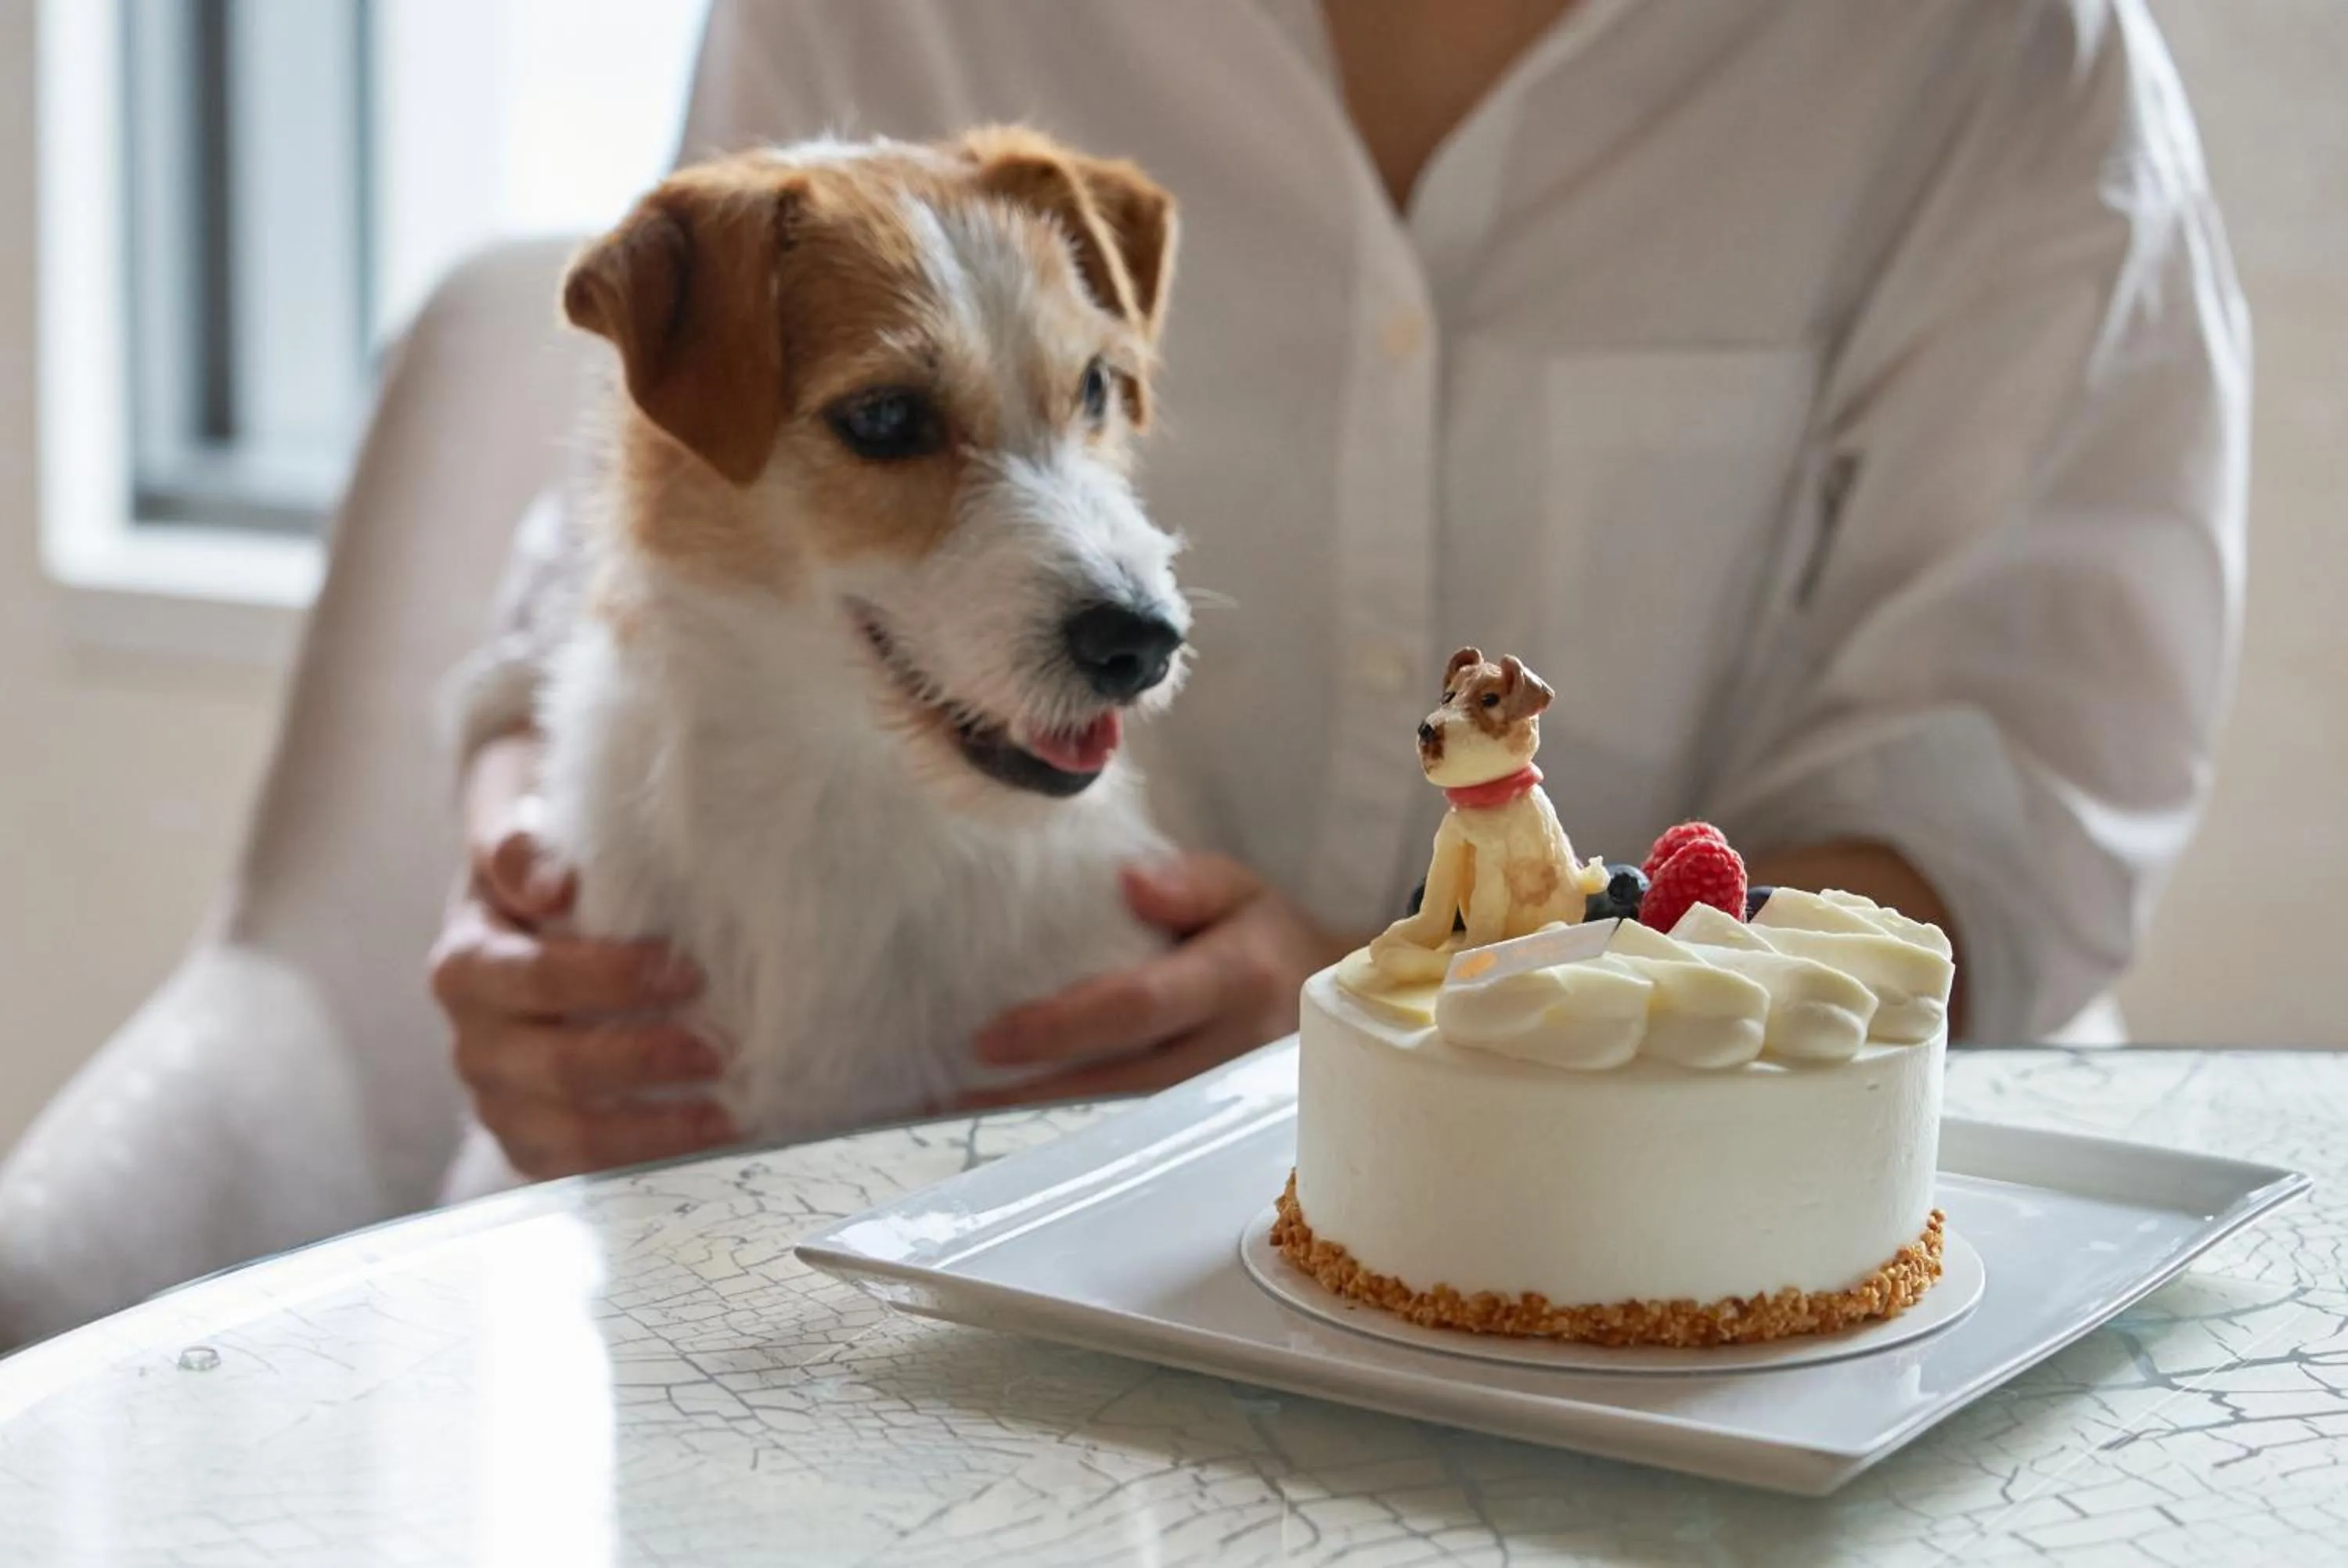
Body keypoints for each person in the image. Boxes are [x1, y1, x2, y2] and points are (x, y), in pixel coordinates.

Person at [427, 0, 2248, 1181]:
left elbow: (2001, 842)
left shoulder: (1995, 55)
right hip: (909, 1219)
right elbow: (647, 512)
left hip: (1709, 1219)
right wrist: (527, 902)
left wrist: (1424, 1028)